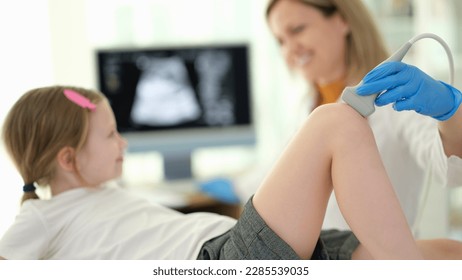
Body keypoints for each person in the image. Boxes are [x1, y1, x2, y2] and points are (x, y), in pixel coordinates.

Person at [0, 84, 451, 260]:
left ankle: (406, 264)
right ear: (67, 159)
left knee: (447, 253)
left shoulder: (103, 197)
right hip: (222, 262)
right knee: (333, 123)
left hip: (247, 247)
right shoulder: (42, 216)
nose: (123, 144)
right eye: (110, 135)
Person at [201, 0, 462, 236]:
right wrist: (234, 186)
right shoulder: (306, 104)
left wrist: (448, 109)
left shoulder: (394, 95)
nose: (290, 49)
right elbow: (283, 171)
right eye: (280, 40)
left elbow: (451, 171)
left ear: (342, 20)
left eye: (297, 30)